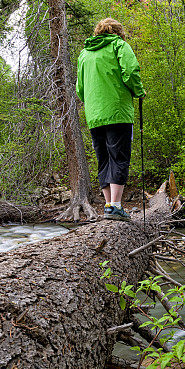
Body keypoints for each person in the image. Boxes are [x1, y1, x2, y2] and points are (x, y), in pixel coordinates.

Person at [76, 18, 145, 221]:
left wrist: (93, 103)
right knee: (119, 156)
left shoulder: (84, 54)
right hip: (117, 112)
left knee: (103, 157)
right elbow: (131, 72)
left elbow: (79, 89)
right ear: (119, 32)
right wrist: (139, 92)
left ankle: (108, 205)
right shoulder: (119, 46)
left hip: (94, 115)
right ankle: (115, 206)